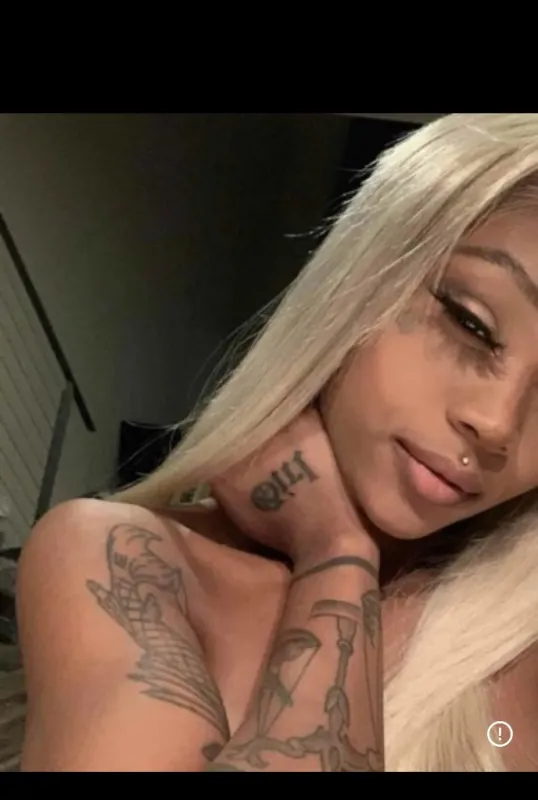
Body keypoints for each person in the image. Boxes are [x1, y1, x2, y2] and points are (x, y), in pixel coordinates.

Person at [12, 113, 538, 772]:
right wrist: (336, 552)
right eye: (471, 322)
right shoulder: (124, 558)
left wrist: (331, 542)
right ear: (357, 281)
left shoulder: (516, 634)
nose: (497, 423)